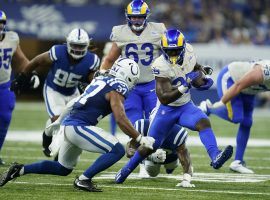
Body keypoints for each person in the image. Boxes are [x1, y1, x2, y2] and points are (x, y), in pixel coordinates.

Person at [0, 58, 155, 192]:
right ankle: (83, 179)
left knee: (63, 168)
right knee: (116, 150)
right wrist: (140, 138)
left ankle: (19, 170)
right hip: (78, 126)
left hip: (71, 124)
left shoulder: (102, 79)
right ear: (128, 77)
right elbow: (120, 118)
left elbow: (79, 99)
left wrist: (60, 120)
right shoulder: (117, 87)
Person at [115, 29, 233, 184]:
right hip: (165, 111)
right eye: (169, 51)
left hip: (185, 106)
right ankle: (125, 170)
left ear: (184, 48)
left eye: (176, 51)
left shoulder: (189, 52)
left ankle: (215, 155)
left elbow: (194, 68)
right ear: (163, 50)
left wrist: (202, 79)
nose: (173, 54)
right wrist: (186, 85)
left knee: (203, 122)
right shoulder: (159, 65)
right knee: (150, 145)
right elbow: (164, 98)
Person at [100, 0, 166, 177]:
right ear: (128, 17)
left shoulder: (158, 30)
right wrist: (102, 74)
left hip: (153, 84)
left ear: (147, 16)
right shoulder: (120, 33)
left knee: (155, 124)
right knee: (136, 127)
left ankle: (167, 157)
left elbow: (169, 54)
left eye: (140, 17)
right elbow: (109, 59)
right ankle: (143, 163)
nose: (137, 20)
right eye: (133, 17)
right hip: (130, 87)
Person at [11, 28, 100, 157]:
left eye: (81, 46)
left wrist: (90, 82)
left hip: (73, 91)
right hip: (54, 90)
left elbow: (91, 78)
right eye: (75, 45)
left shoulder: (92, 60)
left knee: (72, 122)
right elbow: (37, 61)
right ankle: (47, 138)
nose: (77, 49)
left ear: (86, 46)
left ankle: (62, 152)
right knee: (57, 120)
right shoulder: (58, 52)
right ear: (68, 44)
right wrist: (23, 75)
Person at [199, 60, 270, 174]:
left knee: (247, 122)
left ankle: (237, 162)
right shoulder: (266, 71)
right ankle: (208, 108)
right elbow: (239, 85)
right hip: (232, 78)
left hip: (249, 89)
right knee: (236, 117)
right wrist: (222, 102)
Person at [0, 10, 30, 165]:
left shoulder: (11, 38)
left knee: (5, 118)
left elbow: (21, 59)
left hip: (4, 85)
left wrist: (32, 73)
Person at [129, 119, 195, 187]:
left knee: (171, 166)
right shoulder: (142, 126)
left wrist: (186, 180)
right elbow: (129, 152)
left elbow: (187, 160)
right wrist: (150, 157)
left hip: (171, 157)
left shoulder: (178, 133)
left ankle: (170, 168)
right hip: (152, 160)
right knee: (152, 173)